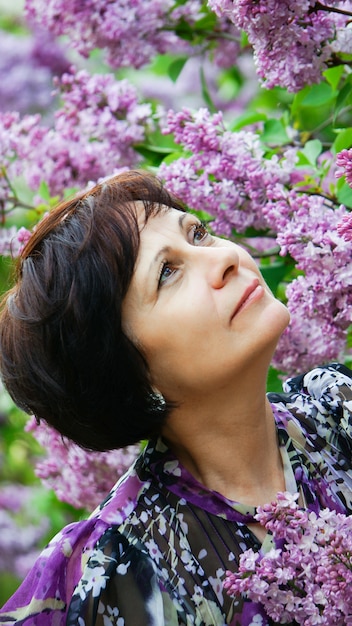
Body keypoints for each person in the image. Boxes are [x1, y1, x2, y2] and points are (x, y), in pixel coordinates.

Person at [0, 169, 351, 626]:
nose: (224, 258)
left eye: (199, 233)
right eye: (167, 272)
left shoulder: (338, 408)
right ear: (125, 372)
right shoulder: (126, 574)